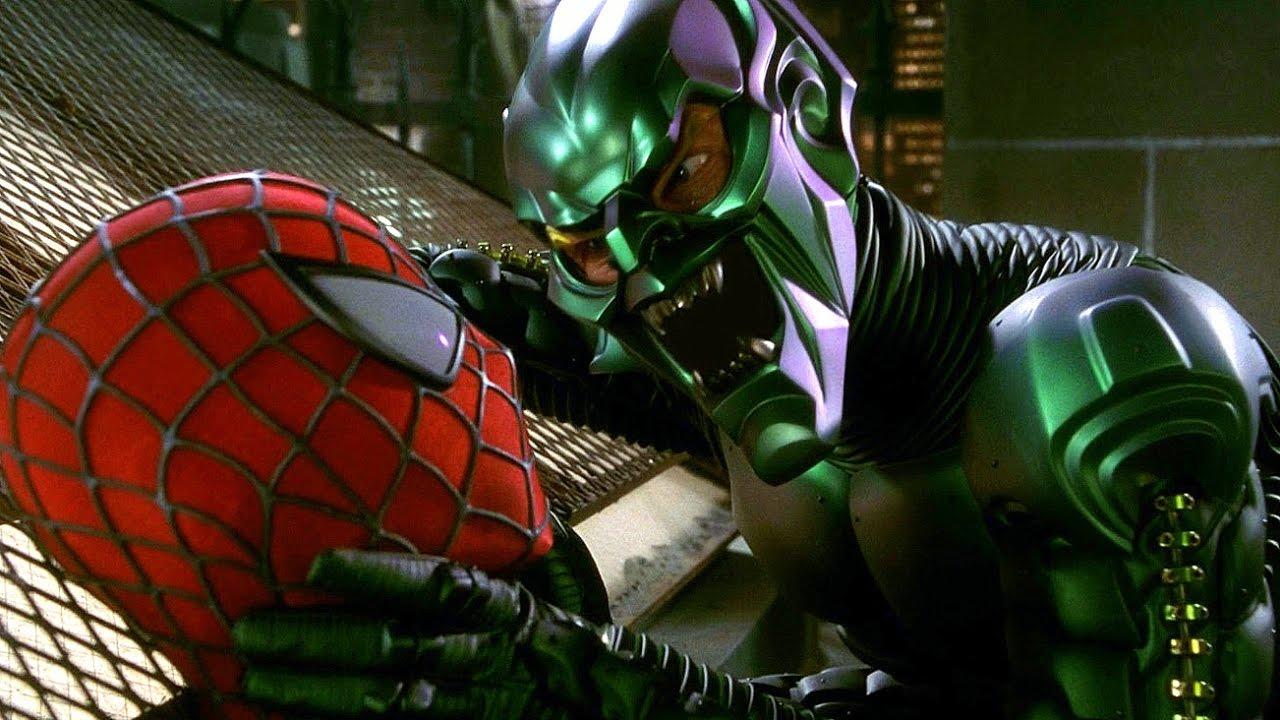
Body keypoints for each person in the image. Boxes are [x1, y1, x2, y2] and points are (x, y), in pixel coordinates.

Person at [235, 1, 1279, 718]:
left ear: (805, 110)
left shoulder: (1106, 371)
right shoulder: (729, 333)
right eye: (591, 241)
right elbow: (553, 334)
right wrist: (317, 276)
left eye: (685, 175)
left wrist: (616, 692)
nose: (652, 275)